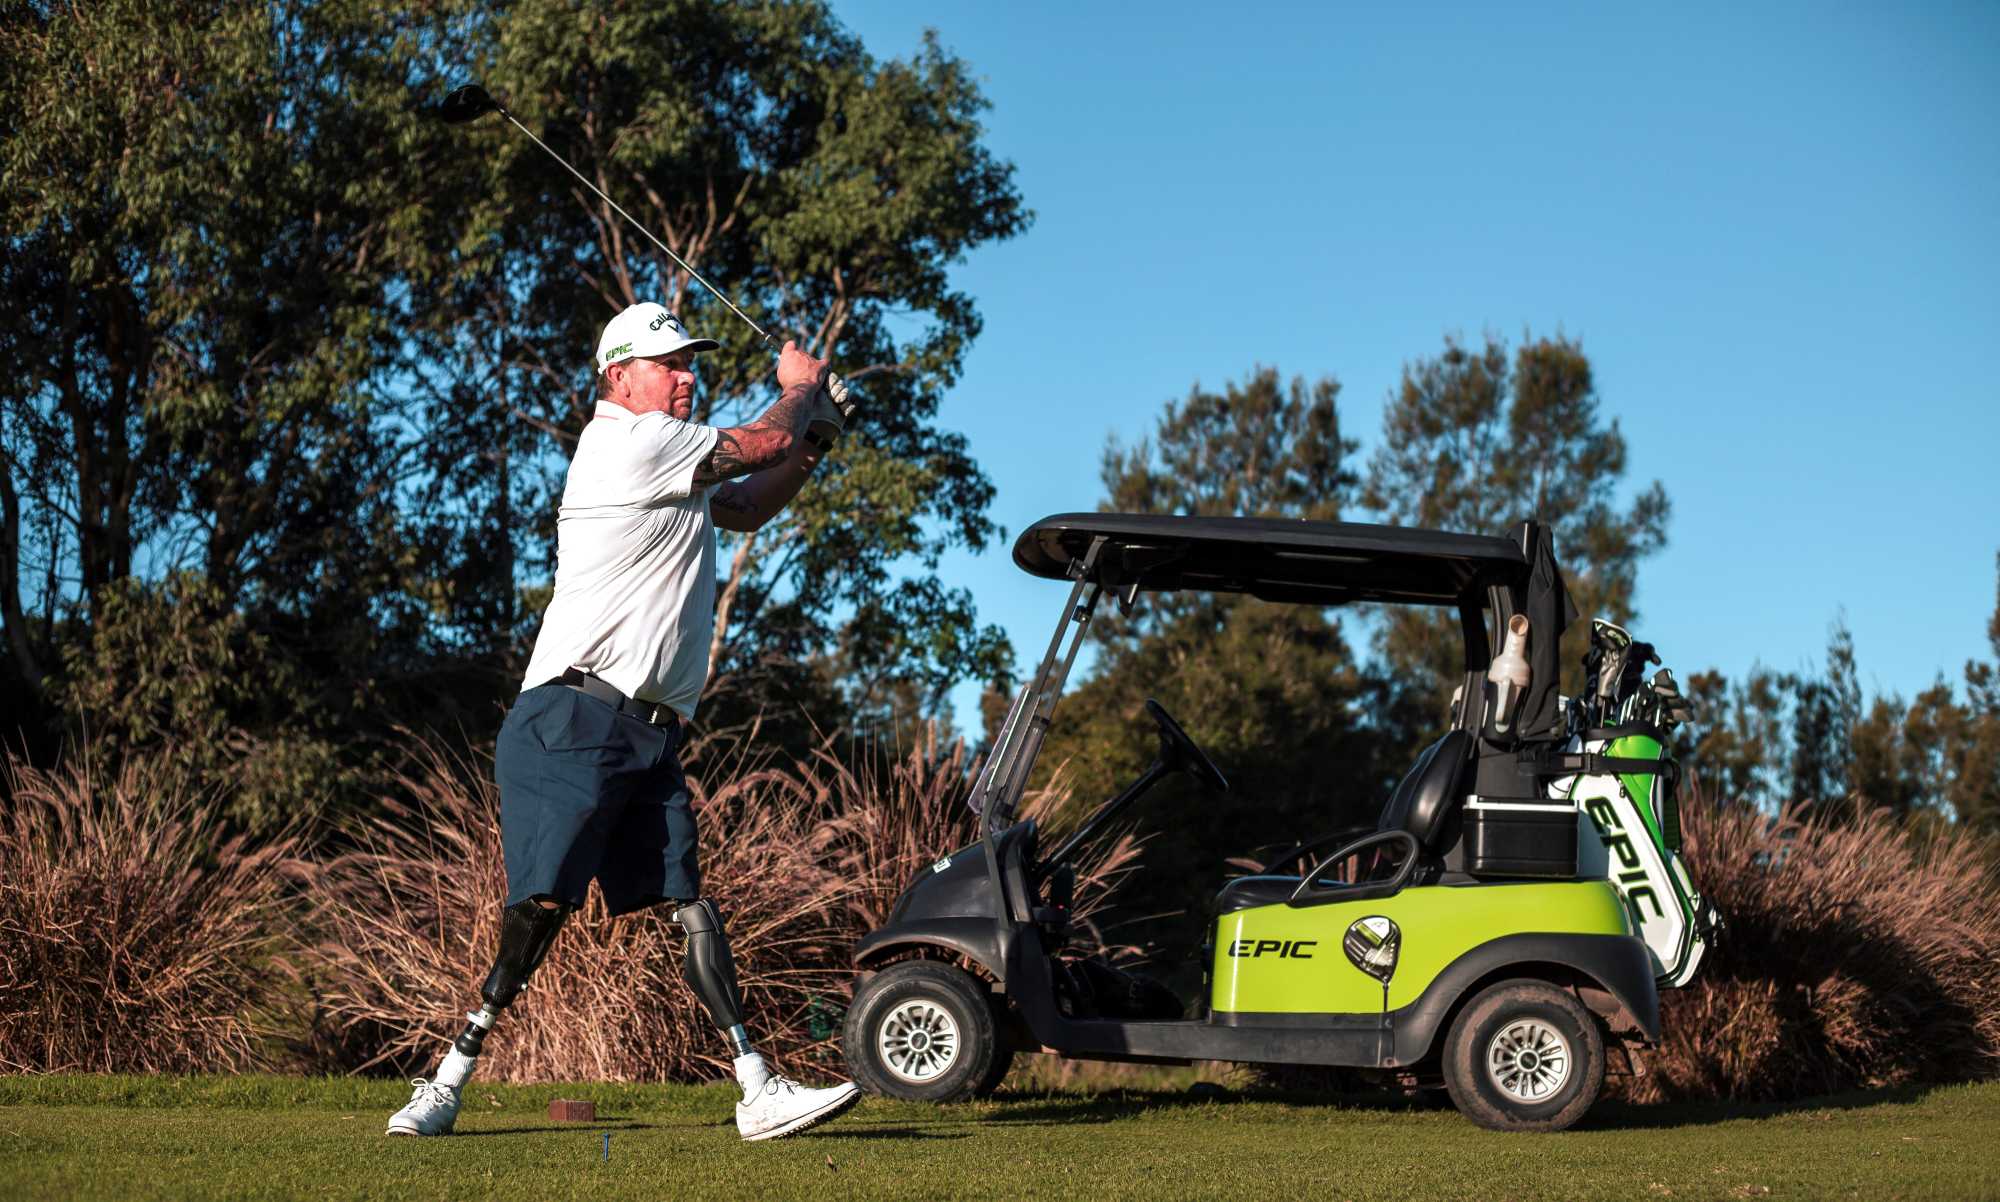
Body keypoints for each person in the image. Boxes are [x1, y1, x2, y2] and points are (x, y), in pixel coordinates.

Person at [387, 301, 859, 1141]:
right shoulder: (627, 443)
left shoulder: (674, 466)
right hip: (571, 715)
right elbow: (761, 442)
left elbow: (749, 501)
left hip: (649, 731)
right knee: (541, 906)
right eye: (669, 364)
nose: (687, 377)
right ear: (619, 376)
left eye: (690, 363)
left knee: (688, 900)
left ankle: (757, 1087)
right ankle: (445, 1081)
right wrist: (800, 392)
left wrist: (814, 432)